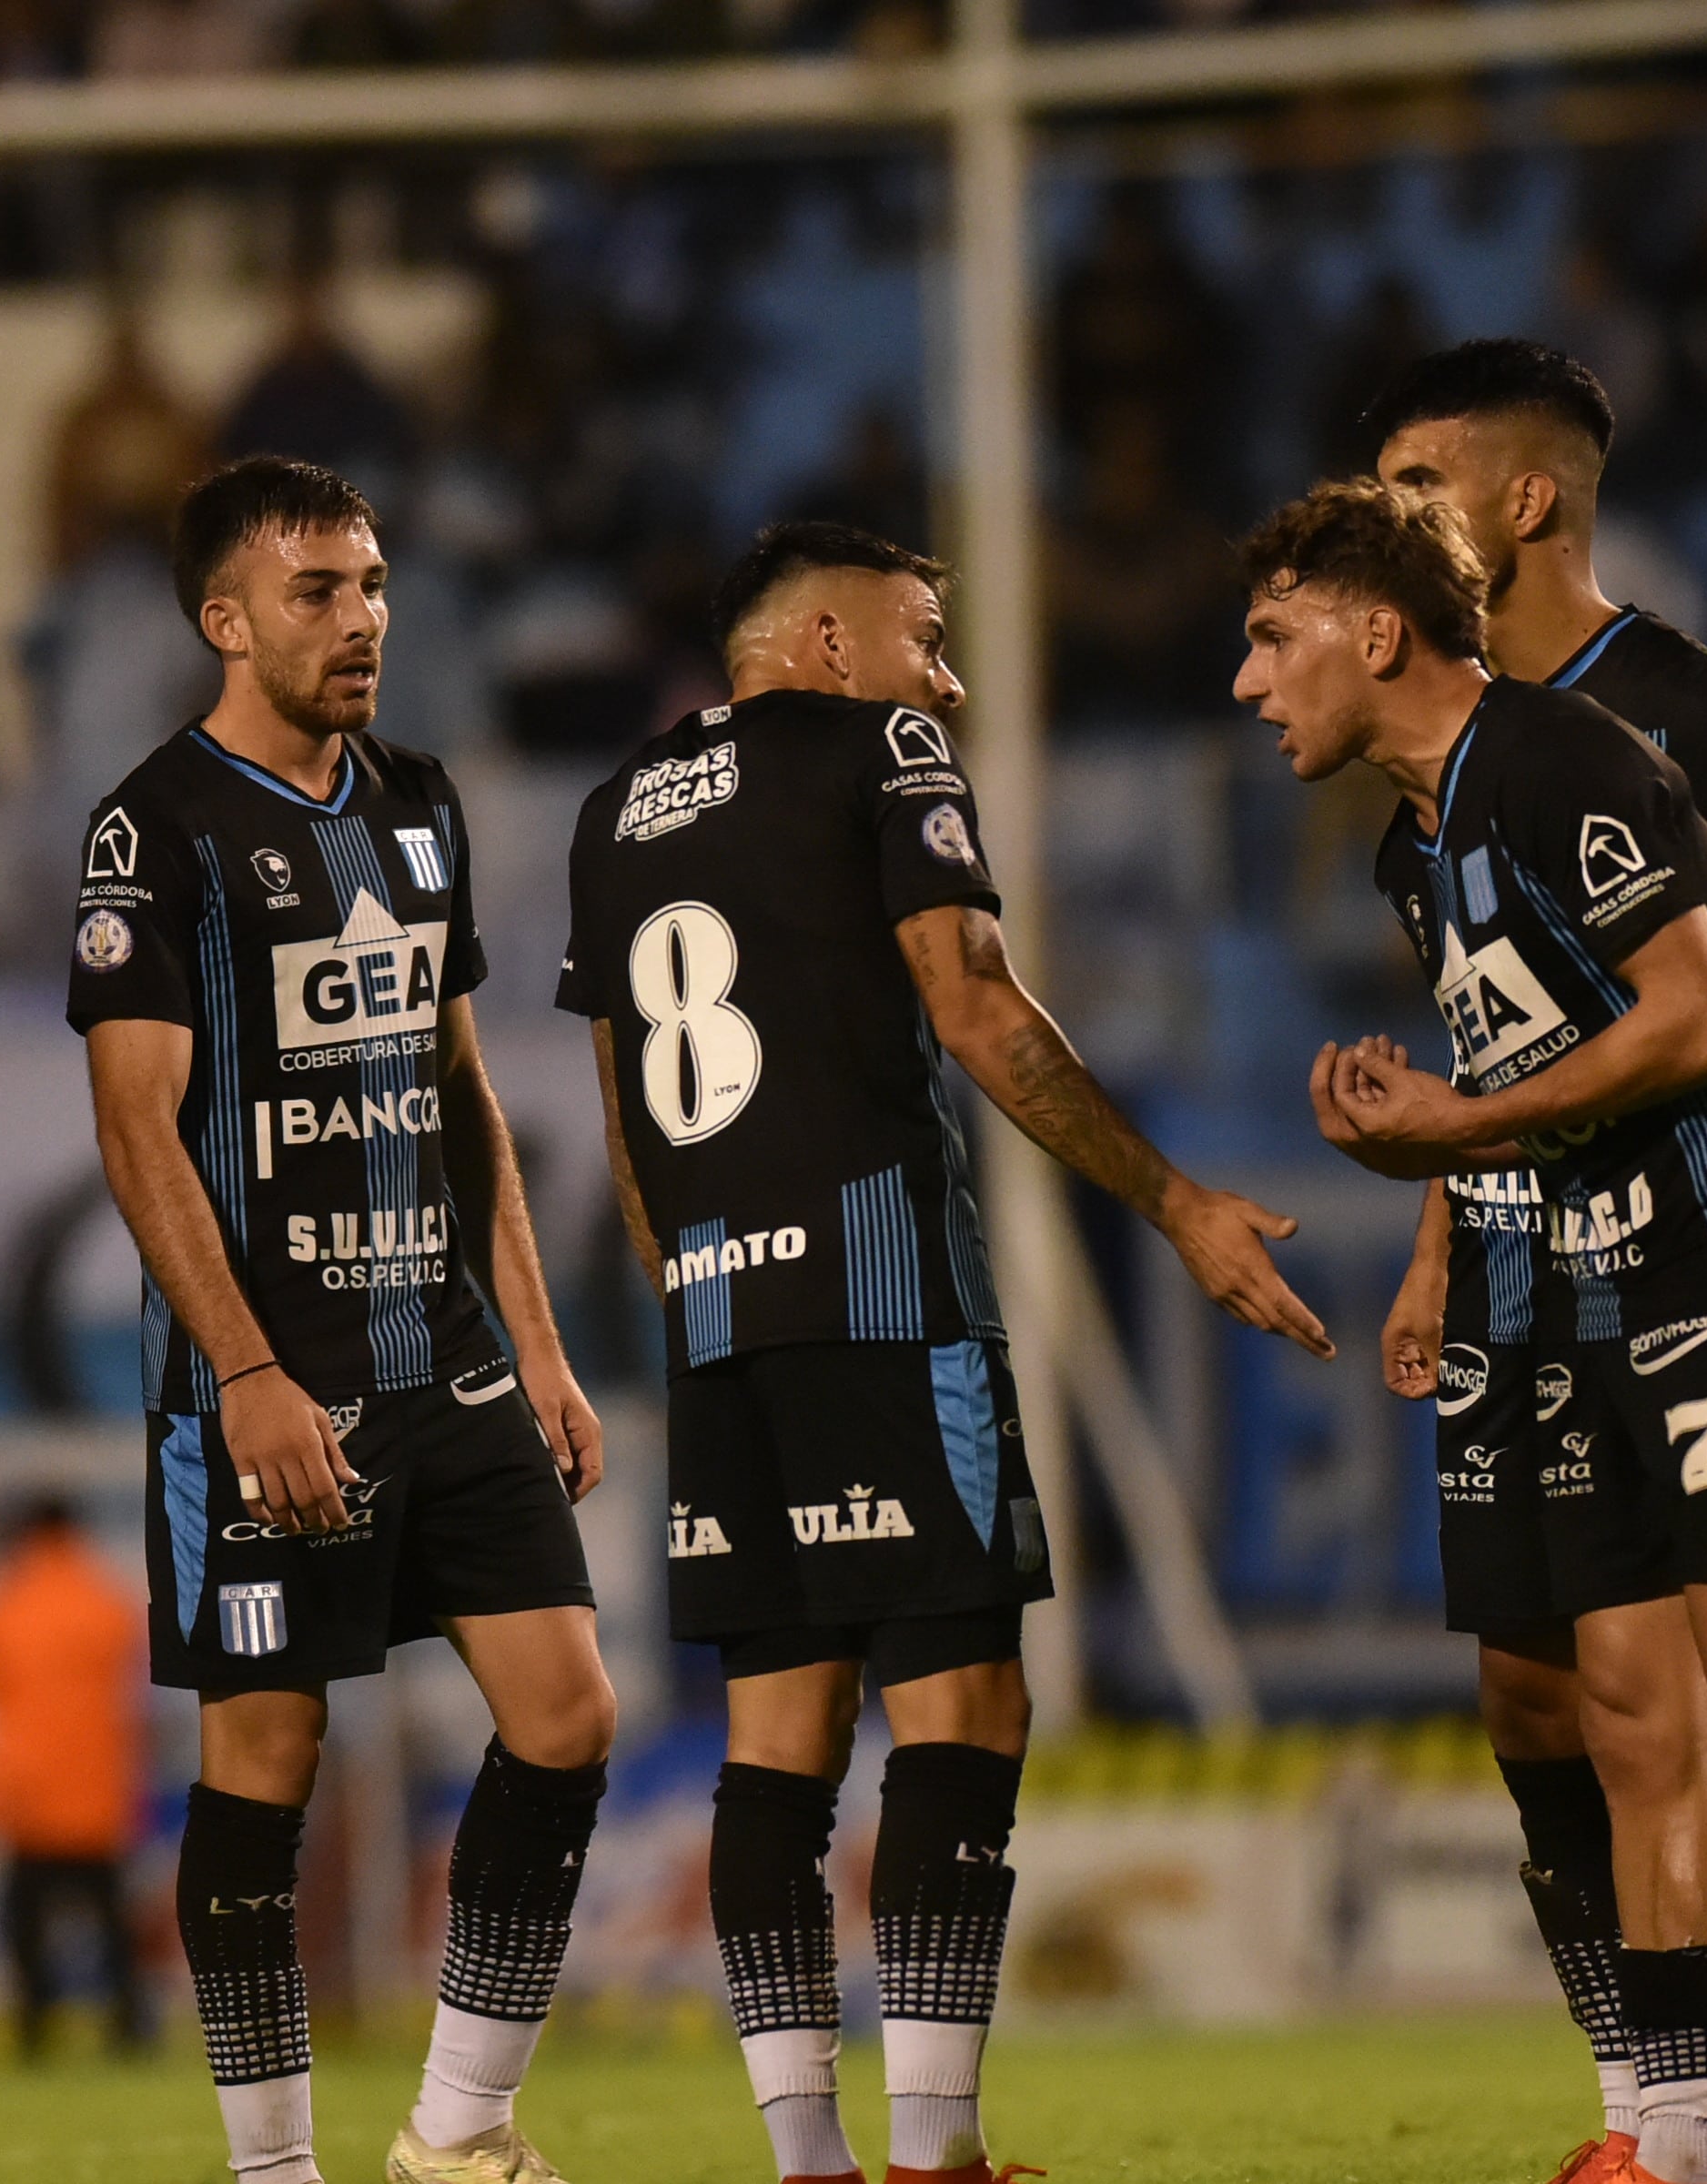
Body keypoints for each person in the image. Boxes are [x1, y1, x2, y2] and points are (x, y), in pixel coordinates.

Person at [1234, 480, 1707, 2184]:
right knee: (1633, 1726)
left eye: (1273, 639)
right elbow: (1507, 1071)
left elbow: (1705, 1021)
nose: (1249, 681)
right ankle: (1690, 2143)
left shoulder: (1570, 763)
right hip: (1578, 1289)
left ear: (1376, 632)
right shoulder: (1414, 842)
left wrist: (1443, 1132)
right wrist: (1443, 1172)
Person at [557, 521, 1334, 2184]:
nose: (949, 677)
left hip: (718, 1313)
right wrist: (1176, 1200)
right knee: (963, 1706)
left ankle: (807, 2162)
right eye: (924, 637)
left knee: (777, 1740)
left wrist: (696, 1286)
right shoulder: (880, 746)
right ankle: (934, 2153)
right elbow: (976, 1002)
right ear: (829, 648)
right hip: (885, 1293)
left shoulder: (616, 808)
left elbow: (629, 1104)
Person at [70, 456, 612, 2184]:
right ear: (226, 619)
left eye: (372, 583)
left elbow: (460, 1100)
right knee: (270, 1759)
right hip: (269, 1380)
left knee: (570, 1715)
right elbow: (133, 1122)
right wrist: (243, 1372)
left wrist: (535, 1340)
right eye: (319, 590)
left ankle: (456, 2134)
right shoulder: (151, 829)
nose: (363, 617)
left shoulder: (424, 802)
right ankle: (273, 2172)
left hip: (440, 1355)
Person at [0, 1494, 149, 2058]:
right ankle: (129, 2030)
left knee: (27, 1926)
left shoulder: (1, 1603)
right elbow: (127, 1684)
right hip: (99, 1789)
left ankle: (33, 2033)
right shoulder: (107, 1601)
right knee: (113, 1924)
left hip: (30, 1793)